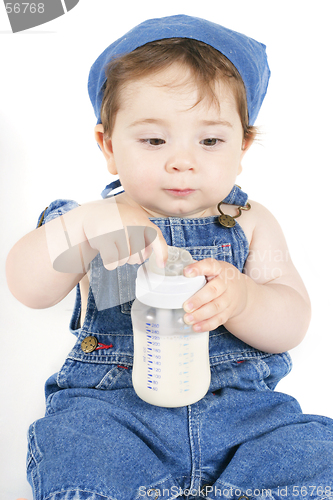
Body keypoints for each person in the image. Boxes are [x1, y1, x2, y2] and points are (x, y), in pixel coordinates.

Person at [6, 14, 333, 500]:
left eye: (210, 140)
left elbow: (292, 320)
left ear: (242, 147)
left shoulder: (249, 221)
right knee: (77, 449)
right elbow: (26, 285)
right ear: (108, 146)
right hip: (114, 409)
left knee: (311, 457)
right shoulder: (91, 223)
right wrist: (86, 225)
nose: (182, 160)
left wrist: (243, 300)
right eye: (154, 140)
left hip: (244, 414)